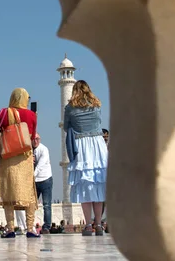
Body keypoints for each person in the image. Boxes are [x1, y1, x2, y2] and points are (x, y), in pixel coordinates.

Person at [0, 88, 40, 238]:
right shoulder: (32, 115)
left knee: (8, 192)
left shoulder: (4, 113)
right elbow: (32, 138)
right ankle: (30, 229)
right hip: (24, 156)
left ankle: (10, 229)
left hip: (8, 156)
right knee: (29, 193)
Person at [64, 80, 108, 236]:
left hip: (81, 145)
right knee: (98, 185)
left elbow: (66, 127)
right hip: (98, 144)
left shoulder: (70, 108)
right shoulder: (96, 105)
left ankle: (88, 225)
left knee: (85, 187)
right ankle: (99, 224)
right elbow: (99, 122)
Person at [32, 133, 53, 234]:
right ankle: (29, 225)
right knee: (31, 204)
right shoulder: (29, 150)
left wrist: (31, 176)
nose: (35, 141)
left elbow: (40, 165)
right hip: (35, 181)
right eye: (34, 139)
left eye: (37, 139)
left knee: (46, 205)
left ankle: (46, 227)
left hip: (45, 180)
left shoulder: (44, 149)